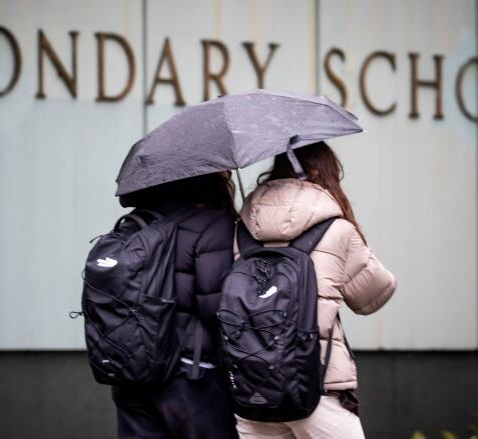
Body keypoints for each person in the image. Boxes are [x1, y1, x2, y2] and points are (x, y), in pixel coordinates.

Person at [233, 142, 397, 438]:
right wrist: (355, 238)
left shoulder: (241, 229)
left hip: (252, 386)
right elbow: (372, 296)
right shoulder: (336, 228)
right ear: (327, 172)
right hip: (316, 385)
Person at [112, 172, 239, 439]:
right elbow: (215, 308)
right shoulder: (213, 224)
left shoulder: (133, 224)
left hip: (131, 371)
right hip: (190, 376)